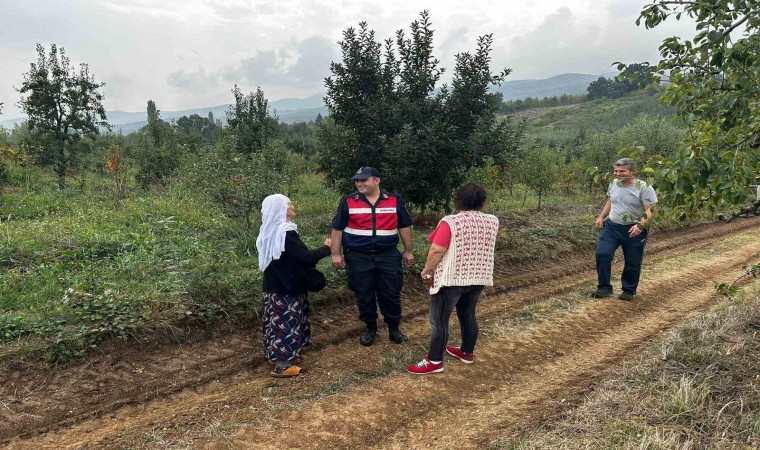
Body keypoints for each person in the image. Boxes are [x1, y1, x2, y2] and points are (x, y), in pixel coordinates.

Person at [407, 183, 499, 375]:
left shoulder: (451, 222)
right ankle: (466, 352)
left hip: (452, 279)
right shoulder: (492, 221)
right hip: (478, 276)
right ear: (483, 201)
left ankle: (434, 360)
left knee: (439, 320)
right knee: (468, 314)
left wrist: (427, 270)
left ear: (458, 200)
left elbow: (437, 249)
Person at [330, 166, 414, 346]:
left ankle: (394, 328)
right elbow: (337, 229)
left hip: (388, 256)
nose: (359, 183)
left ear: (376, 180)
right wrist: (336, 254)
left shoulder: (394, 200)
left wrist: (408, 250)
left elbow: (404, 226)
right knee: (364, 294)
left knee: (391, 293)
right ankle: (370, 328)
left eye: (364, 180)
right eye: (357, 180)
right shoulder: (348, 201)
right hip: (358, 257)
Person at [256, 194, 332, 378]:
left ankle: (278, 355)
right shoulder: (286, 233)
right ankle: (282, 364)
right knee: (285, 323)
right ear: (280, 209)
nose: (292, 205)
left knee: (275, 321)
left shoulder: (270, 230)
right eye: (288, 203)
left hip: (274, 285)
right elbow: (305, 258)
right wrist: (326, 248)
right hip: (287, 286)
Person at [592, 158, 657, 301]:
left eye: (622, 171)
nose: (618, 174)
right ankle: (604, 287)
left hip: (634, 229)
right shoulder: (614, 183)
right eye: (616, 171)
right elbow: (610, 200)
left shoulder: (644, 187)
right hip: (612, 226)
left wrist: (640, 225)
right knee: (603, 254)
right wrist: (601, 216)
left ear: (632, 172)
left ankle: (628, 290)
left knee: (632, 261)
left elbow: (651, 208)